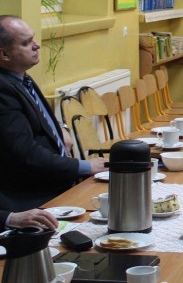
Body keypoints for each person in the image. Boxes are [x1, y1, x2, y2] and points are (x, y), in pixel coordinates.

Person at [0, 16, 106, 212]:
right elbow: (25, 153)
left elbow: (38, 116)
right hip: (33, 198)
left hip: (56, 183)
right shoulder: (3, 89)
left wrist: (61, 128)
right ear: (4, 54)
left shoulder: (21, 77)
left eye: (33, 38)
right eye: (26, 43)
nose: (36, 45)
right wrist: (84, 166)